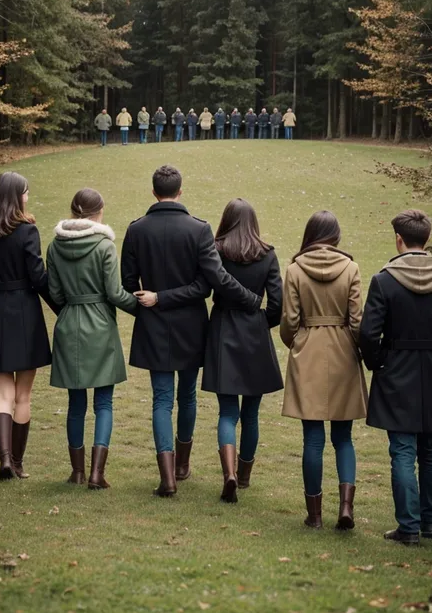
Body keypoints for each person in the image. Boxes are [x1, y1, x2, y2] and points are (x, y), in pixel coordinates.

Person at [121, 165, 262, 498]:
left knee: (162, 400)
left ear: (154, 192)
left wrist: (152, 303)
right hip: (190, 326)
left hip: (154, 325)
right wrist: (252, 301)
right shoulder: (199, 229)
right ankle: (180, 468)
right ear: (180, 192)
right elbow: (205, 286)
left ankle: (169, 476)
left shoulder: (136, 230)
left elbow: (128, 286)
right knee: (185, 397)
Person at [360, 210, 432, 546]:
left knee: (403, 452)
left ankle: (408, 527)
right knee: (429, 451)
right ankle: (429, 523)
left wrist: (379, 363)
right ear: (427, 237)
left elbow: (369, 334)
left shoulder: (384, 280)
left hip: (396, 369)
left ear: (399, 239)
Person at [280, 211, 367, 530]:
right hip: (344, 351)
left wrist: (297, 343)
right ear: (336, 235)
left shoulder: (294, 269)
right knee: (344, 438)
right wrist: (355, 348)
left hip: (308, 351)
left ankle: (314, 515)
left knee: (312, 439)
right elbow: (357, 321)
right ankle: (346, 507)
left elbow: (289, 320)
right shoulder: (352, 267)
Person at [47, 188, 138, 490]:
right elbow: (114, 292)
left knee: (76, 403)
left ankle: (77, 472)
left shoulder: (54, 246)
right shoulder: (104, 245)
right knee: (104, 402)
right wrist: (142, 307)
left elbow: (56, 294)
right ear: (99, 211)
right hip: (99, 323)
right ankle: (97, 473)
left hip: (69, 322)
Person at [0, 172, 59, 480]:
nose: (27, 197)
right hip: (23, 310)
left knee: (3, 395)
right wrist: (60, 308)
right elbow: (39, 277)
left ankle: (4, 458)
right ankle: (17, 463)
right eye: (25, 192)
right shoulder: (27, 231)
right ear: (14, 196)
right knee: (23, 395)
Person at [202, 199, 283, 503]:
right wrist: (262, 324)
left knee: (227, 411)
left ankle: (229, 474)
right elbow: (277, 305)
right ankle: (244, 476)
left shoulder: (216, 250)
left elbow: (207, 287)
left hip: (223, 328)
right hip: (255, 332)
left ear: (226, 220)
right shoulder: (267, 254)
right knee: (251, 413)